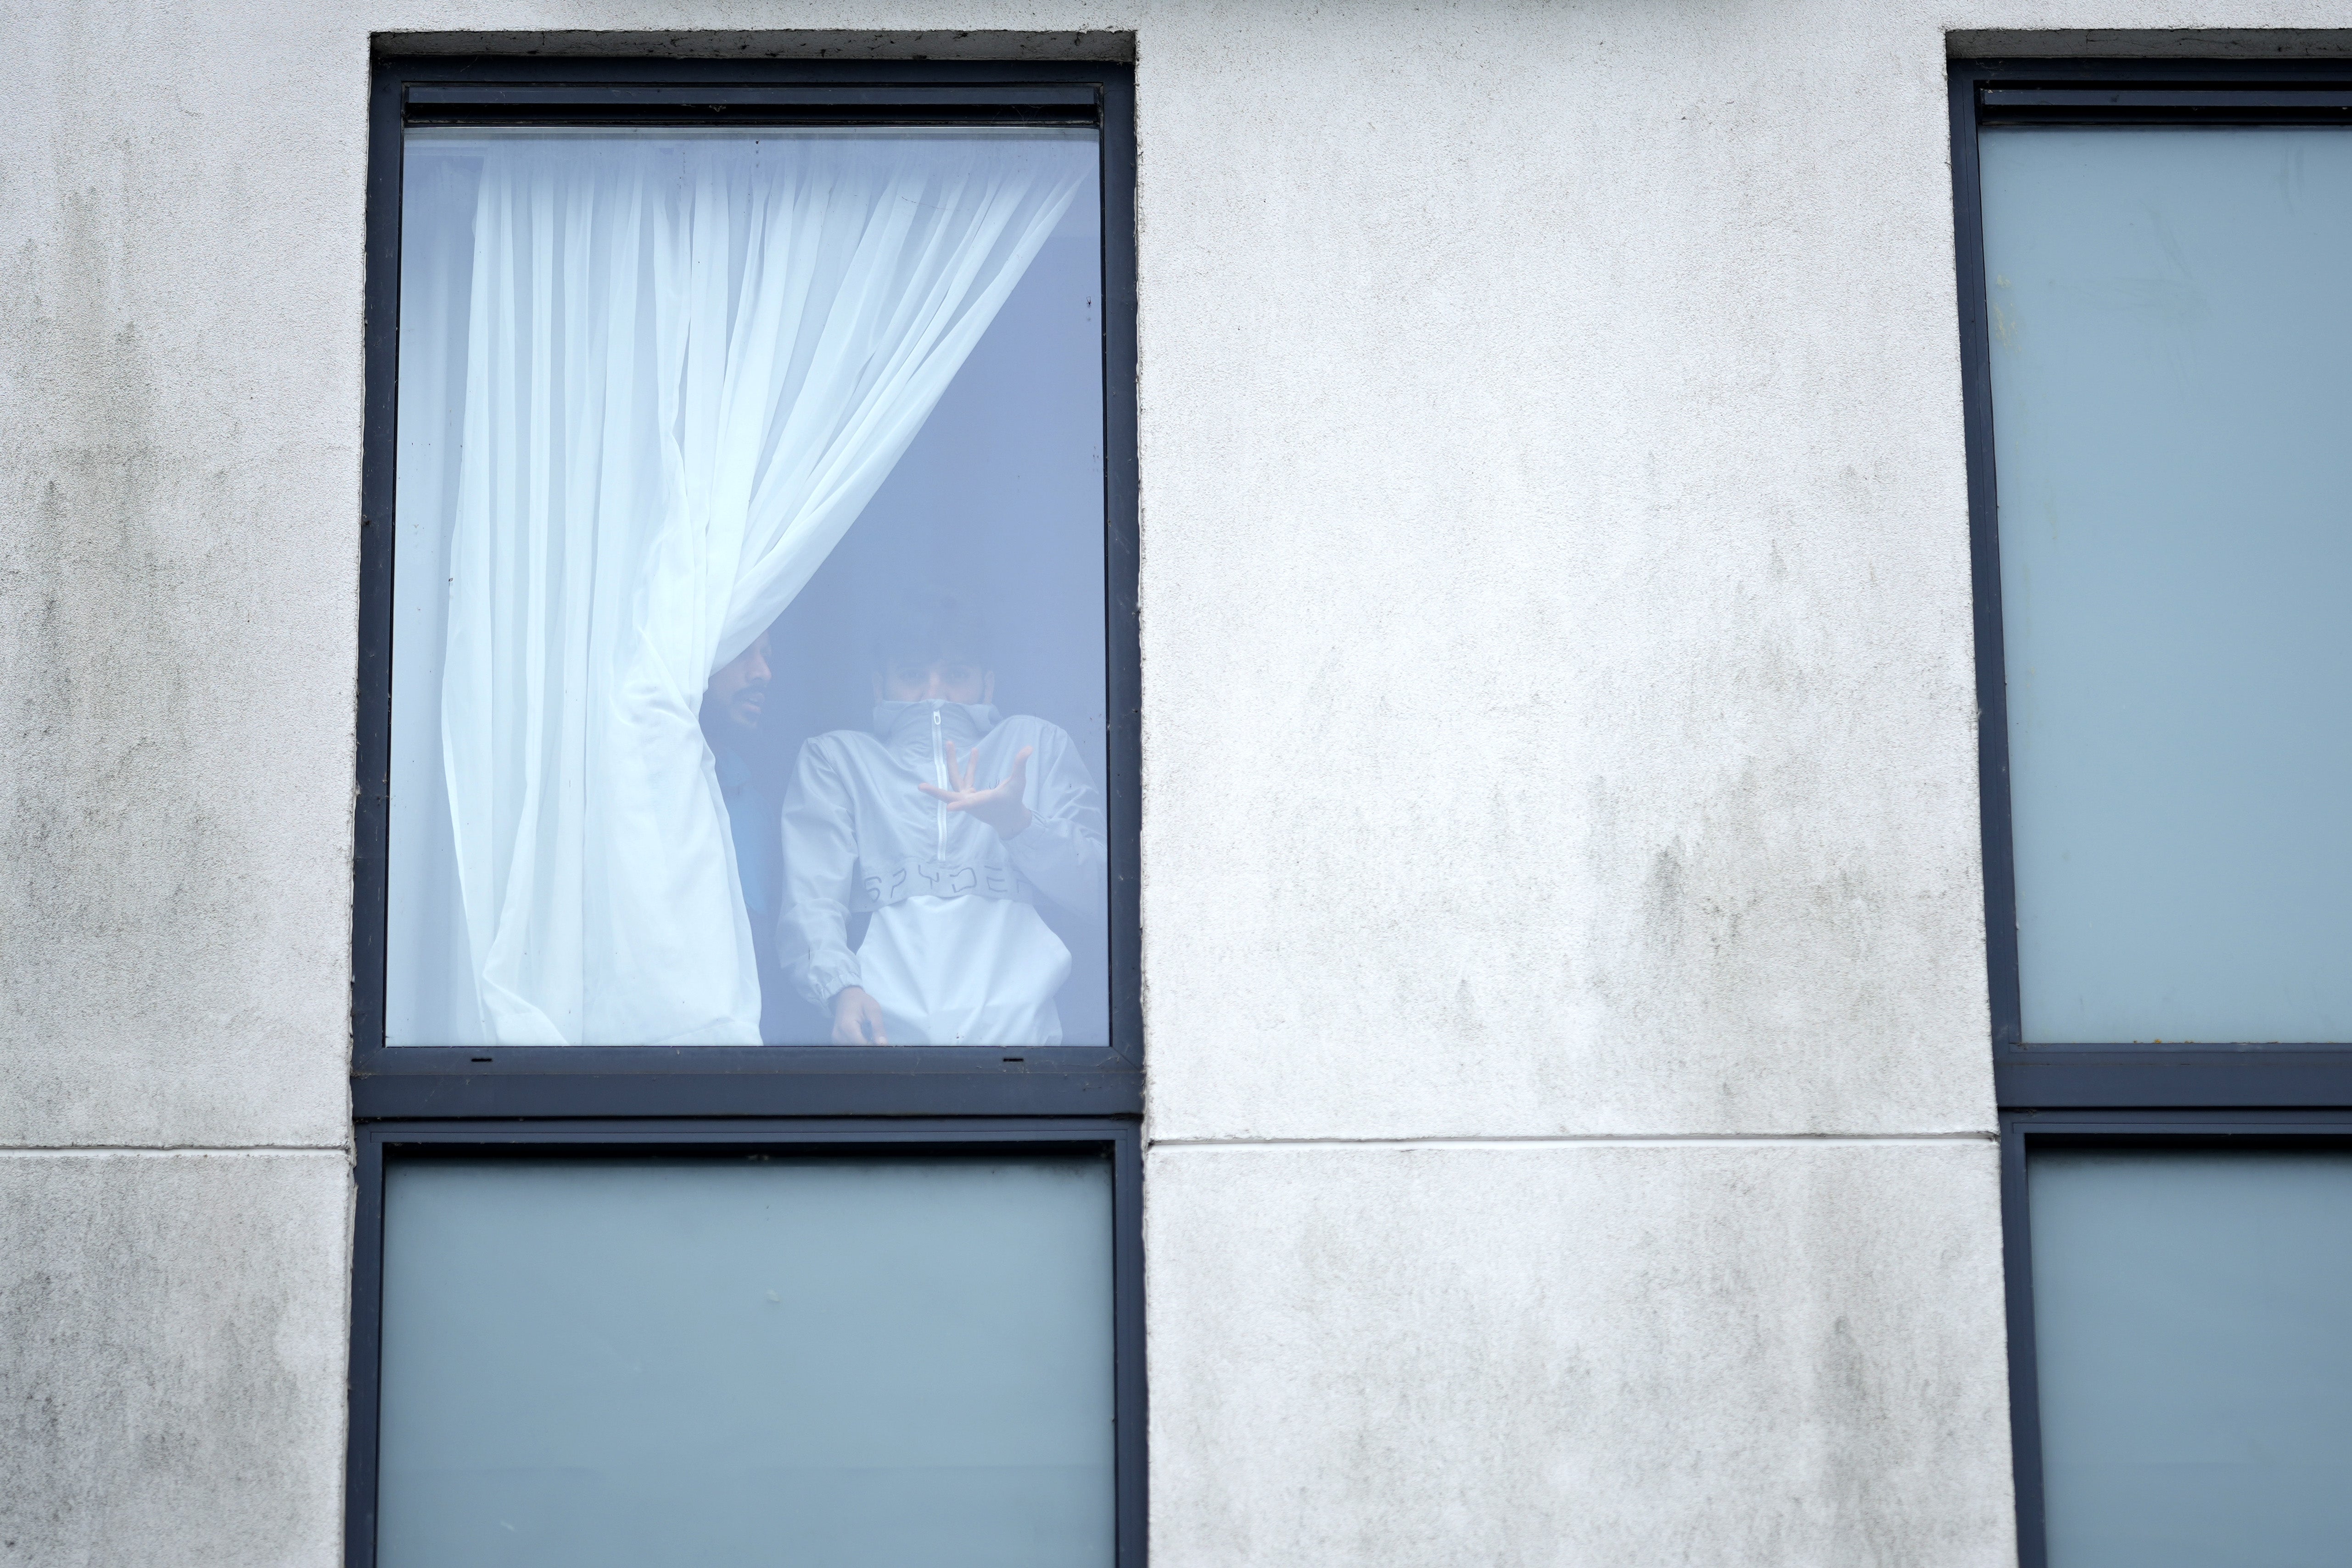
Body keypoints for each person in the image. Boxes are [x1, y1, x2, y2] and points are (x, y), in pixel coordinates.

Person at [777, 598, 1106, 1045]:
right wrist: (839, 988)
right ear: (880, 686)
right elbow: (811, 901)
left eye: (957, 674)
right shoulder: (837, 759)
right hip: (883, 1054)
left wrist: (1020, 825)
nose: (936, 693)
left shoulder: (1035, 746)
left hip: (1026, 1057)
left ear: (988, 685)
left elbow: (1106, 895)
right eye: (913, 674)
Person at [701, 625, 795, 1042]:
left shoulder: (751, 802)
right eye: (743, 652)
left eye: (767, 656)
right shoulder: (624, 787)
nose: (763, 673)